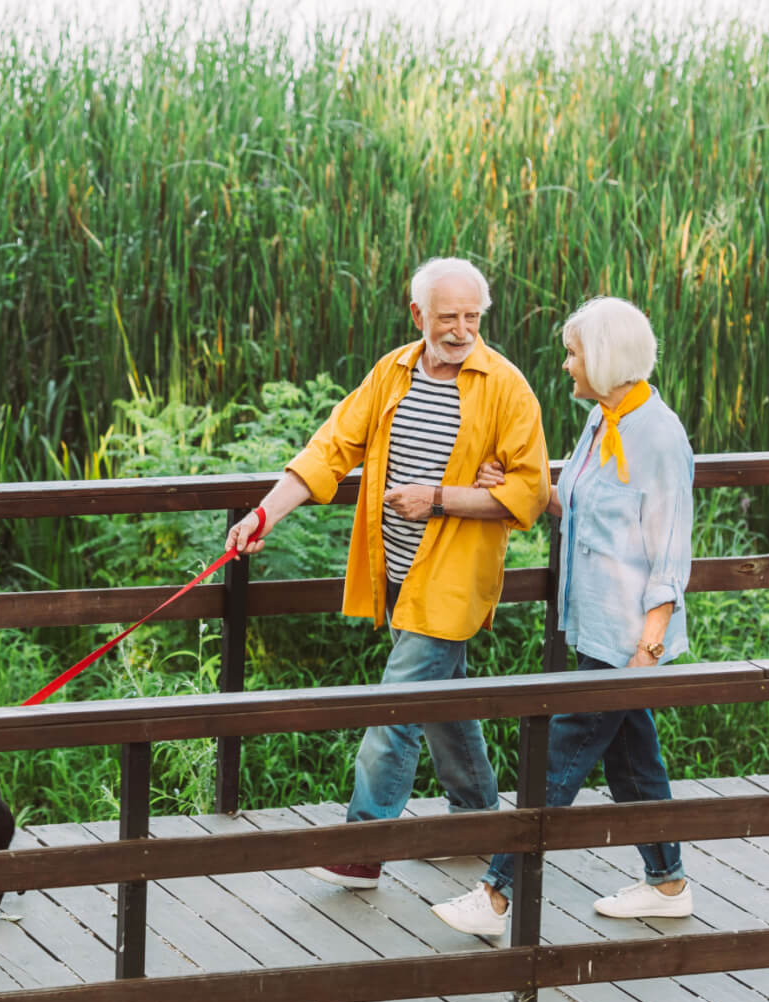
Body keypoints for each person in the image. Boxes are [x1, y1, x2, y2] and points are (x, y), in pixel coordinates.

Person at [225, 257, 551, 889]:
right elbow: (329, 449)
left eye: (472, 317)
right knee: (441, 701)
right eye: (448, 317)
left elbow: (531, 494)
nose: (462, 330)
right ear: (417, 315)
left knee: (396, 705)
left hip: (454, 577)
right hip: (394, 569)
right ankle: (479, 819)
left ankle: (363, 843)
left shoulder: (507, 388)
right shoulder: (392, 372)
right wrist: (266, 514)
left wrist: (441, 498)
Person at [431, 296, 695, 937]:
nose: (566, 363)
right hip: (593, 625)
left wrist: (649, 647)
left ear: (603, 358)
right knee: (633, 762)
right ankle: (667, 882)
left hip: (627, 639)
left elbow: (670, 548)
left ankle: (495, 896)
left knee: (557, 760)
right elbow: (578, 505)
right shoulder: (603, 420)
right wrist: (513, 486)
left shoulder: (657, 435)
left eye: (574, 352)